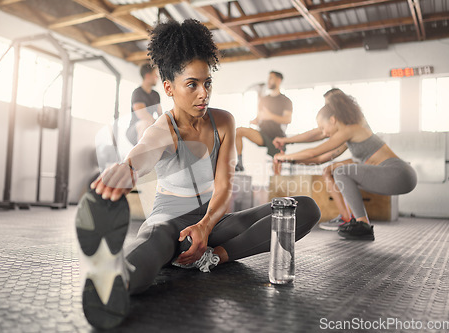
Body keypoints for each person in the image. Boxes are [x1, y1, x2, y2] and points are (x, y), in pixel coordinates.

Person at [75, 19, 320, 330]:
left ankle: (215, 257)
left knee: (304, 208)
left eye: (207, 83)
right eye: (192, 84)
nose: (203, 93)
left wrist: (205, 226)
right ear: (169, 88)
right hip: (170, 225)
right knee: (155, 241)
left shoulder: (224, 122)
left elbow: (225, 187)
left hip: (214, 223)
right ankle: (114, 283)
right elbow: (142, 153)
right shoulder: (163, 129)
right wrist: (126, 169)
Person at [274, 93, 417, 241]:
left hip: (398, 173)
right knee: (337, 171)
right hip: (399, 177)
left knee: (342, 171)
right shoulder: (349, 137)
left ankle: (363, 224)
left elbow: (314, 151)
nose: (323, 133)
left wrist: (283, 156)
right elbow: (318, 159)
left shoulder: (351, 130)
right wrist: (289, 161)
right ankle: (351, 219)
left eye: (323, 128)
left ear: (333, 119)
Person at [273, 88, 362, 230]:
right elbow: (320, 151)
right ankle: (348, 218)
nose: (326, 109)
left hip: (367, 163)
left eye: (328, 106)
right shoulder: (345, 123)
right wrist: (290, 156)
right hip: (361, 160)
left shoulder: (349, 126)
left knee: (332, 170)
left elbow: (317, 150)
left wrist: (286, 154)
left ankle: (351, 219)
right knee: (329, 170)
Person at [235, 71, 293, 175]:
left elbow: (287, 119)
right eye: (268, 78)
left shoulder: (285, 100)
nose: (268, 81)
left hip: (277, 137)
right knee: (239, 131)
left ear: (278, 80)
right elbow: (260, 117)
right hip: (262, 134)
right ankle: (239, 163)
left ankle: (276, 188)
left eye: (271, 78)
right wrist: (255, 120)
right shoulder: (264, 100)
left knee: (276, 170)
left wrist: (270, 116)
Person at [126, 63, 162, 145]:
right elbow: (142, 115)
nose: (157, 77)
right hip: (134, 130)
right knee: (146, 123)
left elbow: (160, 114)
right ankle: (141, 154)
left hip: (150, 125)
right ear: (147, 76)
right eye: (155, 75)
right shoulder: (137, 93)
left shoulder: (156, 94)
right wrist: (157, 126)